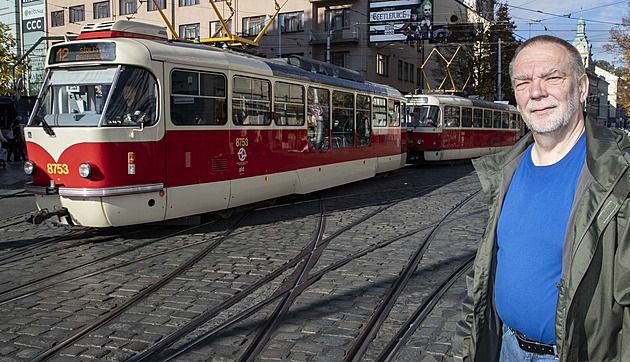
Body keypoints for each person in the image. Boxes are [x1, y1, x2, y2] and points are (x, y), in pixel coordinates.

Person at [453, 35, 630, 361]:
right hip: (506, 348)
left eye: (552, 77)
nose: (536, 92)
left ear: (582, 87)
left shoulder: (620, 175)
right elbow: (480, 279)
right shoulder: (505, 171)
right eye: (523, 82)